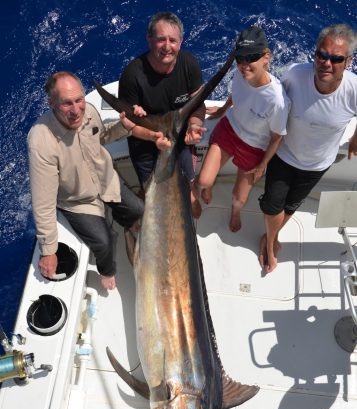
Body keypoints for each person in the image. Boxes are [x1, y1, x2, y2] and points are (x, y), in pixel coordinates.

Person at [28, 71, 170, 290]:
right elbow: (43, 201)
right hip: (77, 200)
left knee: (140, 211)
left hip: (106, 180)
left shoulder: (90, 112)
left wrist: (125, 126)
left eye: (79, 100)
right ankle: (106, 271)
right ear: (51, 103)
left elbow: (101, 137)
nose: (76, 110)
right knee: (105, 242)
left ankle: (129, 224)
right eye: (67, 103)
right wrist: (48, 250)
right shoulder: (41, 140)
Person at [259, 24, 357, 273]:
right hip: (283, 156)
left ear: (348, 62)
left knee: (291, 206)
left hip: (317, 165)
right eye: (322, 55)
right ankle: (270, 243)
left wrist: (355, 137)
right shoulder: (294, 74)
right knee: (272, 206)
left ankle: (273, 236)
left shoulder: (353, 90)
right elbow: (273, 101)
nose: (326, 63)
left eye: (336, 59)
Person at [193, 26, 290, 229]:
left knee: (239, 198)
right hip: (229, 129)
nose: (244, 65)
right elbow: (236, 95)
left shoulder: (278, 101)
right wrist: (222, 111)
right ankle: (206, 189)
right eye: (240, 58)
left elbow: (276, 138)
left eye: (251, 57)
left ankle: (235, 213)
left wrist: (262, 165)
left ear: (266, 57)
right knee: (203, 180)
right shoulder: (240, 74)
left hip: (254, 146)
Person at [118, 11, 206, 211]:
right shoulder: (132, 75)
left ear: (180, 42)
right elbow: (130, 125)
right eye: (161, 39)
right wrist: (153, 136)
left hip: (180, 136)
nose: (167, 46)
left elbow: (198, 103)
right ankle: (147, 194)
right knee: (151, 192)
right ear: (149, 40)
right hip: (145, 140)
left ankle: (190, 193)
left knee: (189, 182)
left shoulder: (189, 64)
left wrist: (194, 125)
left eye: (173, 40)